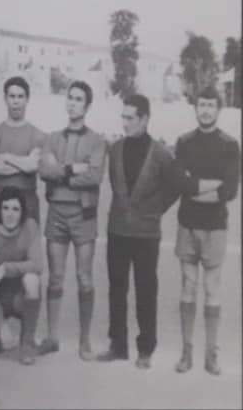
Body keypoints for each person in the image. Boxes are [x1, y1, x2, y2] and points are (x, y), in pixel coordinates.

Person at [97, 93, 221, 369]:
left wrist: (157, 209)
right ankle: (117, 345)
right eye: (123, 117)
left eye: (130, 118)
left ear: (144, 119)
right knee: (117, 289)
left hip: (146, 235)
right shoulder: (115, 149)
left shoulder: (162, 154)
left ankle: (146, 349)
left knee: (145, 290)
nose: (125, 123)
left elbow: (180, 186)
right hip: (117, 231)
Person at [38, 81, 107, 361]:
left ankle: (84, 339)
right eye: (71, 98)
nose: (73, 103)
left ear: (87, 106)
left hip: (83, 214)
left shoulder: (97, 141)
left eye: (79, 99)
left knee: (84, 276)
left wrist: (60, 172)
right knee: (54, 277)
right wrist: (70, 169)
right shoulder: (53, 138)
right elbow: (44, 170)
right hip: (57, 211)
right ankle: (53, 337)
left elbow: (94, 176)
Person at [173, 87, 240, 375]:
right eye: (202, 104)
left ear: (218, 109)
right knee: (188, 285)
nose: (206, 110)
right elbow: (182, 186)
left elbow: (230, 189)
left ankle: (210, 355)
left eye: (211, 105)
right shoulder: (184, 142)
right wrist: (210, 185)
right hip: (187, 223)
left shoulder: (230, 145)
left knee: (212, 288)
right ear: (195, 107)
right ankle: (186, 353)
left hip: (215, 226)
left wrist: (198, 186)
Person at [0, 187, 44, 365]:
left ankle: (26, 342)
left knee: (32, 280)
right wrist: (2, 325)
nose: (10, 214)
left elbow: (38, 264)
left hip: (20, 297)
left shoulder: (30, 227)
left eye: (15, 209)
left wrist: (5, 268)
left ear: (22, 212)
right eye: (5, 208)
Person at [0, 76, 46, 225]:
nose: (16, 101)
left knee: (27, 247)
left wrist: (6, 157)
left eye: (20, 96)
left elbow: (33, 166)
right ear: (5, 99)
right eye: (12, 96)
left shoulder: (37, 134)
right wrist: (23, 163)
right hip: (0, 200)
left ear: (27, 99)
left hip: (27, 200)